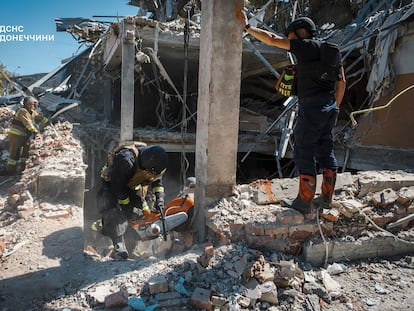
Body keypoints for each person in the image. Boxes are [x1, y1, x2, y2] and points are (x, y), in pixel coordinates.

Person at [235, 8, 346, 214]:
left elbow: (272, 39)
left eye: (291, 37)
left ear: (301, 32)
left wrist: (248, 27)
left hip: (311, 107)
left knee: (304, 149)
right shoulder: (332, 50)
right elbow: (342, 83)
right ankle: (327, 199)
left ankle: (304, 202)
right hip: (329, 107)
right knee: (326, 150)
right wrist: (335, 107)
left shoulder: (304, 46)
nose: (289, 41)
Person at [97, 142, 168, 259]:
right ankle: (118, 245)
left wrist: (160, 200)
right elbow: (118, 188)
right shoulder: (126, 160)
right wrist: (127, 208)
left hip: (131, 185)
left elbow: (157, 183)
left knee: (138, 215)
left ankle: (130, 248)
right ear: (147, 166)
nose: (153, 175)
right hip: (113, 184)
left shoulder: (156, 163)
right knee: (113, 212)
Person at [7, 96, 49, 175]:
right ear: (25, 104)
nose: (31, 106)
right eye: (29, 104)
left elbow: (39, 117)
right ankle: (10, 171)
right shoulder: (22, 111)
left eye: (33, 104)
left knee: (25, 153)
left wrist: (48, 121)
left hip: (25, 135)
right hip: (16, 134)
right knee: (14, 153)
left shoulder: (32, 112)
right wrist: (35, 131)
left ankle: (22, 169)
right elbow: (28, 123)